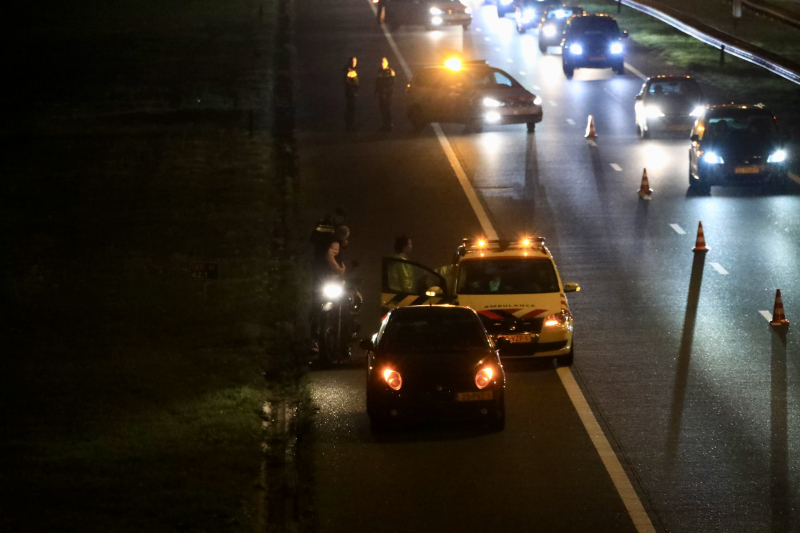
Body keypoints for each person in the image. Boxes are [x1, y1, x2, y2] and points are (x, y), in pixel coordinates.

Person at [375, 57, 396, 131]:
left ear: (387, 63)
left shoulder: (390, 72)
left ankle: (389, 125)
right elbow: (377, 82)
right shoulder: (379, 71)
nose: (382, 64)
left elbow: (392, 83)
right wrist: (376, 92)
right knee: (382, 110)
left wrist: (387, 92)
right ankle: (385, 124)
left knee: (387, 109)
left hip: (387, 94)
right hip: (381, 94)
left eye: (383, 62)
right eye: (381, 62)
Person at [344, 57, 360, 132]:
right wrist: (352, 92)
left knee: (352, 109)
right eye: (353, 61)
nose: (354, 63)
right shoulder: (349, 71)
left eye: (355, 61)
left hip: (353, 93)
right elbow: (347, 82)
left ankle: (350, 125)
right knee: (350, 109)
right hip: (350, 93)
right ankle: (349, 126)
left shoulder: (354, 70)